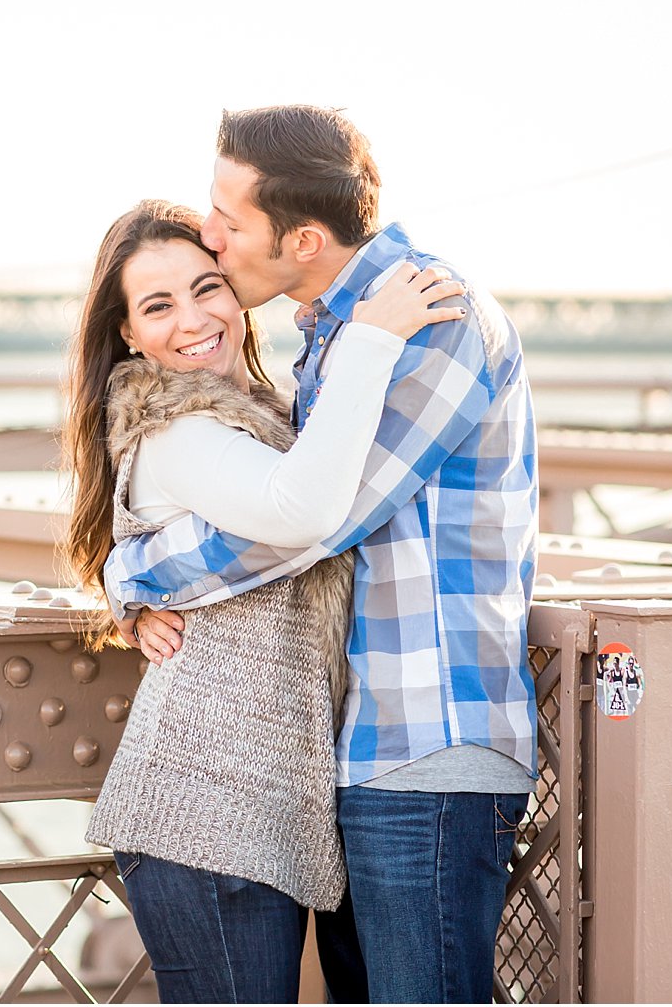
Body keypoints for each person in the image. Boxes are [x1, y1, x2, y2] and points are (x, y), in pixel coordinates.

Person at [104, 106, 540, 1004]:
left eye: (228, 220)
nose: (212, 240)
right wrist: (124, 575)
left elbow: (303, 524)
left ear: (302, 239)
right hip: (355, 755)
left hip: (430, 747)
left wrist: (135, 573)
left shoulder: (430, 319)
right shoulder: (331, 337)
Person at [63, 199, 465, 1003]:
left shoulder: (263, 421)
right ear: (128, 337)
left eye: (207, 287)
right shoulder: (180, 428)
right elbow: (300, 510)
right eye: (158, 305)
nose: (193, 318)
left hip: (260, 812)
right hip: (202, 813)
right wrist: (372, 341)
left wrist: (128, 581)